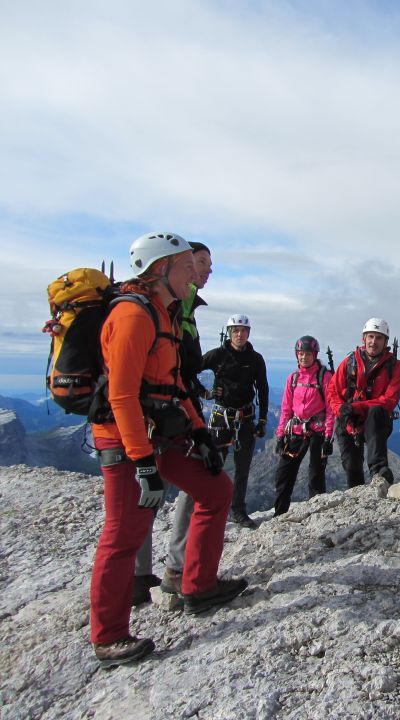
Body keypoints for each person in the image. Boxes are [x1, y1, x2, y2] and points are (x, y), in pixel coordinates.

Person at [90, 231, 247, 669]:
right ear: (161, 270)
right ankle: (109, 636)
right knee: (124, 532)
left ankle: (198, 586)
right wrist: (142, 462)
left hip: (160, 430)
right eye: (185, 268)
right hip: (124, 438)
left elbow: (175, 384)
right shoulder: (133, 316)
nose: (194, 276)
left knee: (217, 491)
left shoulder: (166, 313)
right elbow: (121, 397)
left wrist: (199, 434)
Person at [157, 241, 214, 597]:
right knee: (205, 487)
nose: (206, 271)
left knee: (148, 493)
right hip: (167, 413)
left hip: (170, 409)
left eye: (208, 265)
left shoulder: (182, 307)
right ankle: (178, 573)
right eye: (201, 263)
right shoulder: (174, 307)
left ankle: (144, 577)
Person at [201, 314, 269, 528]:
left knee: (243, 466)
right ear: (230, 333)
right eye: (236, 331)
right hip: (222, 416)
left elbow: (263, 390)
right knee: (214, 465)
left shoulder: (255, 359)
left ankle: (237, 510)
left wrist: (263, 419)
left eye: (243, 331)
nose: (240, 334)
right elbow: (188, 371)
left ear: (248, 333)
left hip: (245, 418)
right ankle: (212, 508)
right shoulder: (217, 355)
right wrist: (204, 393)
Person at [328, 318, 400, 486]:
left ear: (386, 342)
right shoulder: (349, 362)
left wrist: (354, 407)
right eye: (370, 337)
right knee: (352, 467)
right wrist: (340, 409)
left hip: (375, 421)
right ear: (363, 339)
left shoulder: (396, 367)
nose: (373, 342)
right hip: (348, 421)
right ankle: (358, 496)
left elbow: (389, 401)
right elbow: (332, 390)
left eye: (379, 338)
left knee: (377, 411)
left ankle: (379, 473)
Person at [273, 335, 335, 515]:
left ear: (314, 355)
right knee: (284, 474)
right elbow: (286, 409)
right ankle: (280, 514)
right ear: (296, 355)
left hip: (318, 431)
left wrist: (328, 438)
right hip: (296, 431)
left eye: (308, 354)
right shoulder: (293, 378)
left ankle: (317, 515)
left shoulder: (324, 376)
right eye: (300, 354)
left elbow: (331, 410)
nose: (304, 357)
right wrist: (280, 435)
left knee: (316, 475)